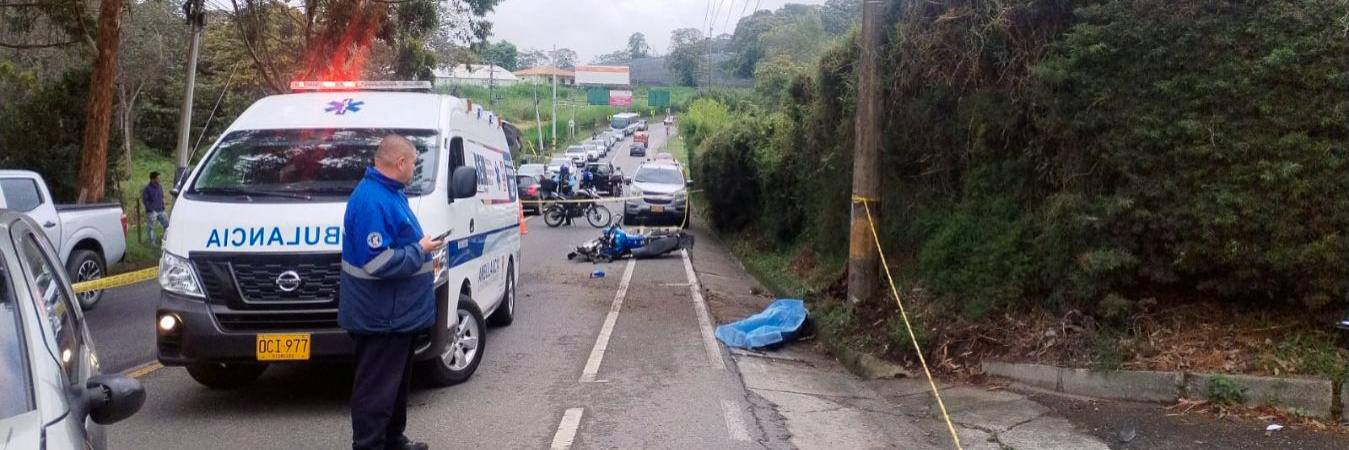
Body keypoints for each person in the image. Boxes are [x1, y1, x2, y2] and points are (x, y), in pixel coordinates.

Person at [339, 135, 445, 450]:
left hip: (397, 315)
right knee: (376, 390)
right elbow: (378, 261)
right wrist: (420, 249)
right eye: (413, 162)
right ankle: (371, 444)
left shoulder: (390, 193)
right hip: (381, 316)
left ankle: (393, 440)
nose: (414, 168)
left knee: (396, 387)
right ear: (400, 163)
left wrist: (419, 246)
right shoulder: (373, 200)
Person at [140, 172, 169, 243]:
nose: (160, 179)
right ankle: (152, 243)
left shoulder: (160, 187)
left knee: (168, 225)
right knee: (150, 228)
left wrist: (162, 207)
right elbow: (145, 201)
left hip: (161, 210)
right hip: (152, 212)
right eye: (158, 178)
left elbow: (161, 197)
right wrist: (151, 210)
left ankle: (165, 241)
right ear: (153, 179)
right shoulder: (147, 189)